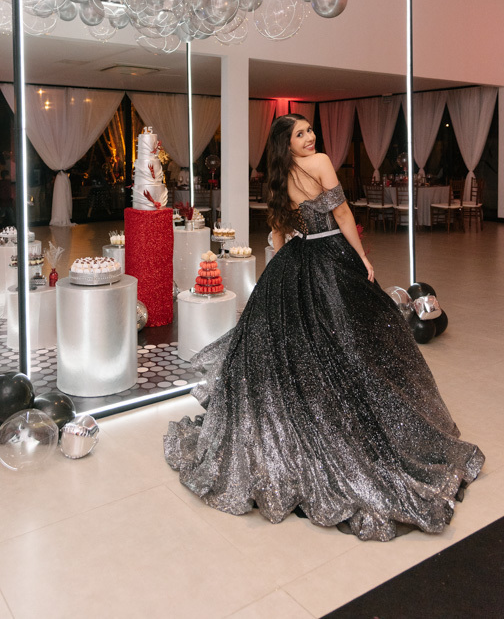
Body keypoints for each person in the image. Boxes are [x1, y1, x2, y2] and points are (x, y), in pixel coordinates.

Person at [164, 114, 484, 541]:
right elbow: (343, 213)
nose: (310, 137)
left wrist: (272, 277)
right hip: (328, 258)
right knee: (352, 343)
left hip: (294, 263)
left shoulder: (280, 179)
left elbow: (279, 235)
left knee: (303, 350)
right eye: (300, 134)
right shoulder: (321, 164)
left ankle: (305, 419)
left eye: (310, 131)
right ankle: (350, 426)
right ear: (286, 144)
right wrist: (363, 257)